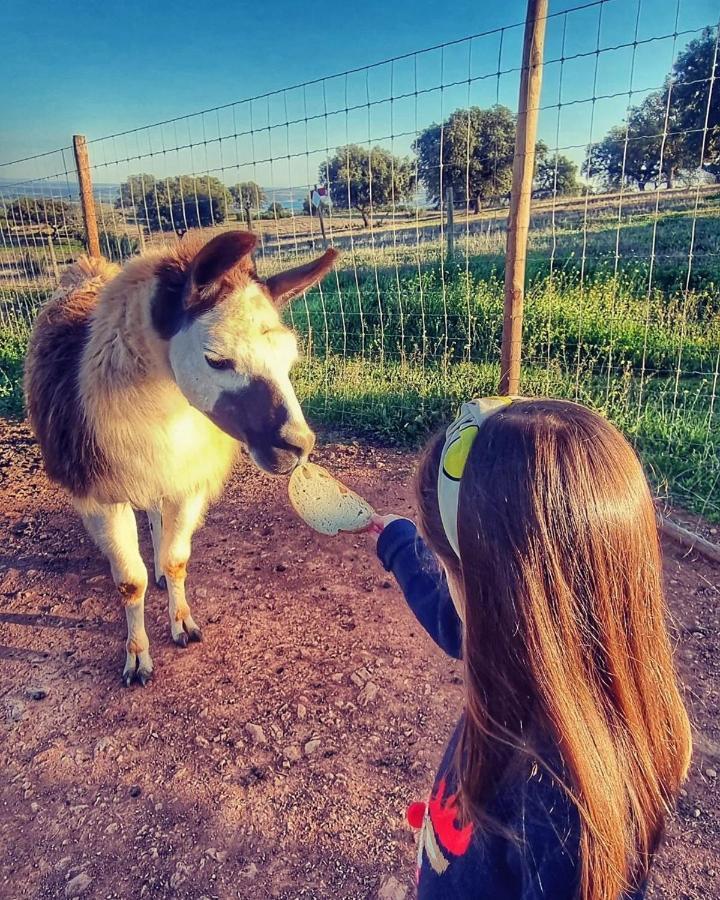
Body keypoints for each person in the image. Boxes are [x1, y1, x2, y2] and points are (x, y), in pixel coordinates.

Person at [364, 397, 691, 900]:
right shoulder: (525, 657)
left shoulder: (573, 813)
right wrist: (400, 544)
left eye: (450, 570)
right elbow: (456, 623)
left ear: (502, 604)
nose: (449, 588)